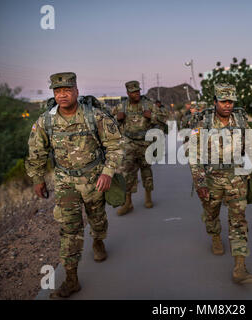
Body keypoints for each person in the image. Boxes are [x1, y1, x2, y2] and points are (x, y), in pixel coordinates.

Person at [25, 72, 123, 298]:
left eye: (67, 90)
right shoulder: (46, 120)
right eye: (58, 91)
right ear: (53, 94)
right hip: (65, 182)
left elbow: (116, 145)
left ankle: (98, 241)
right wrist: (37, 178)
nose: (62, 95)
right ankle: (71, 280)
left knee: (97, 220)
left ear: (77, 91)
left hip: (94, 179)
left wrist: (108, 172)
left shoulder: (94, 116)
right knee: (69, 230)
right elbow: (36, 151)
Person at [190, 84, 252, 284]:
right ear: (215, 102)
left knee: (238, 220)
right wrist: (200, 182)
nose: (227, 105)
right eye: (223, 101)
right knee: (211, 213)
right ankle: (215, 234)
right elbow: (194, 155)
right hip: (211, 179)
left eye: (230, 102)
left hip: (237, 178)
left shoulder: (241, 121)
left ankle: (239, 266)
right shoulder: (203, 123)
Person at [112, 81, 167, 215]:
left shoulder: (148, 104)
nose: (136, 94)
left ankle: (148, 197)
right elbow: (108, 122)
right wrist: (116, 118)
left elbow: (164, 118)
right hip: (129, 143)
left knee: (146, 170)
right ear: (128, 93)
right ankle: (127, 203)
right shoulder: (121, 106)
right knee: (127, 173)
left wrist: (151, 116)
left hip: (145, 143)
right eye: (133, 92)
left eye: (138, 91)